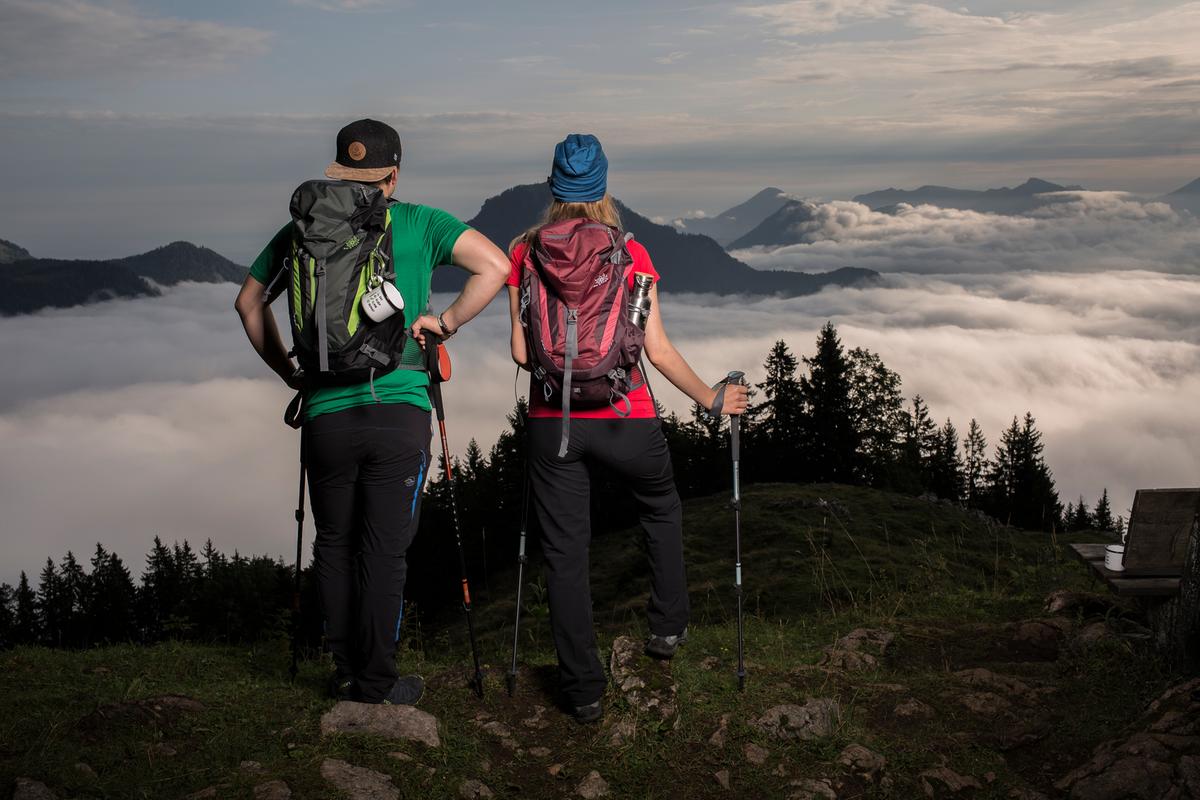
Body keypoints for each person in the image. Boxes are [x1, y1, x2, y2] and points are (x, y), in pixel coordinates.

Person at [235, 118, 509, 704]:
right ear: (394, 173)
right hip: (400, 408)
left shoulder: (304, 228)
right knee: (384, 549)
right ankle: (378, 682)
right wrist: (447, 323)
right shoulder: (420, 221)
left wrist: (291, 372)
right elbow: (497, 267)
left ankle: (342, 671)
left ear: (339, 171)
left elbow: (247, 302)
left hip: (325, 413)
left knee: (334, 540)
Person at [506, 133, 748, 723]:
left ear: (553, 187)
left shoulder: (525, 252)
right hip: (626, 416)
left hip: (551, 423)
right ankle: (666, 630)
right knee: (660, 509)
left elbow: (520, 353)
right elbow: (656, 349)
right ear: (604, 188)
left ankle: (583, 691)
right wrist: (712, 400)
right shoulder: (631, 255)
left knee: (565, 553)